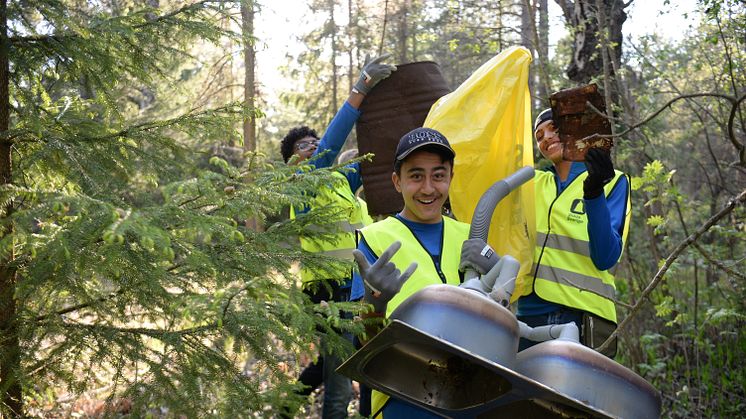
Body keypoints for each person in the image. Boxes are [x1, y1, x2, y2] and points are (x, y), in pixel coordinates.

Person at [350, 127, 500, 418]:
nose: (429, 188)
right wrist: (374, 306)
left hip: (471, 396)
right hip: (403, 399)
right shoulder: (374, 240)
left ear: (450, 178)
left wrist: (497, 275)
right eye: (416, 176)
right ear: (397, 181)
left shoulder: (472, 237)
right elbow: (364, 343)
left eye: (438, 175)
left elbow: (498, 327)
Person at [282, 54, 396, 418]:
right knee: (341, 377)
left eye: (314, 142)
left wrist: (383, 105)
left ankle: (285, 408)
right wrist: (360, 88)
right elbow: (333, 144)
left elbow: (375, 160)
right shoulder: (300, 186)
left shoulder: (339, 183)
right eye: (304, 146)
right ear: (292, 162)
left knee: (355, 363)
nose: (313, 147)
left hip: (361, 286)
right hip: (328, 291)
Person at [512, 108, 631, 355]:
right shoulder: (532, 183)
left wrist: (594, 193)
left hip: (580, 317)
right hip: (525, 316)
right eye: (539, 135)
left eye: (553, 129)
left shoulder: (613, 181)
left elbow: (605, 257)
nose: (546, 137)